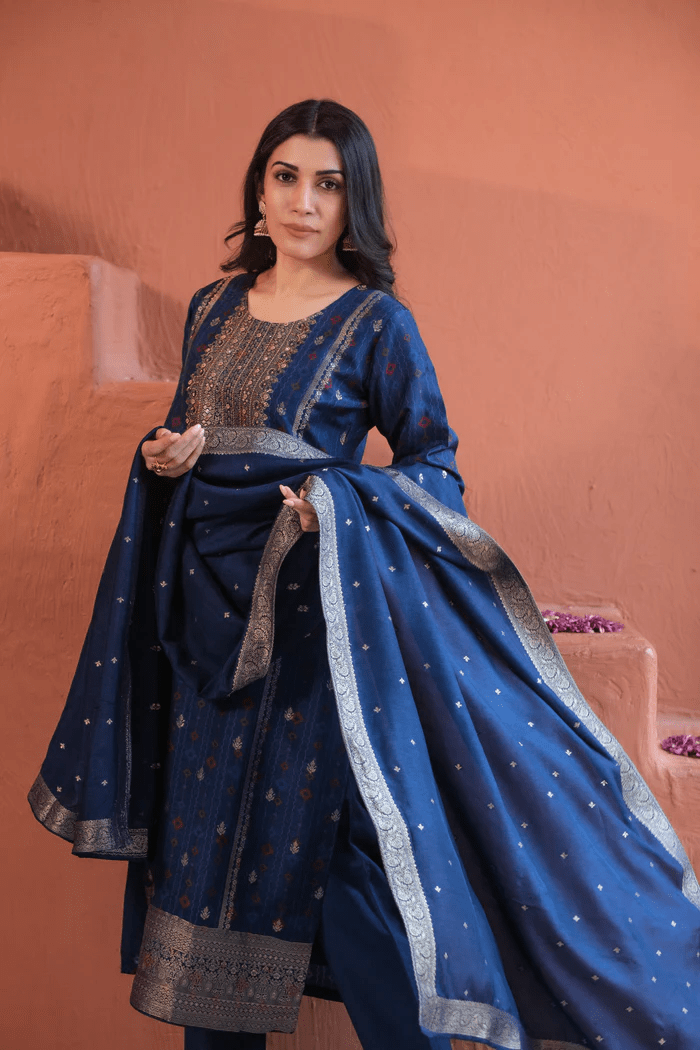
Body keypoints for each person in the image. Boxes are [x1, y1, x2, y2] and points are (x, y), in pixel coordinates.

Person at [29, 99, 700, 1050]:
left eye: (329, 184)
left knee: (328, 853)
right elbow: (191, 429)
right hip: (201, 622)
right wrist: (164, 455)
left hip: (314, 621)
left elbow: (436, 466)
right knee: (199, 847)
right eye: (286, 177)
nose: (304, 202)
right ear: (259, 190)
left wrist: (338, 502)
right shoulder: (213, 308)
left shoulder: (377, 323)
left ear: (356, 204)